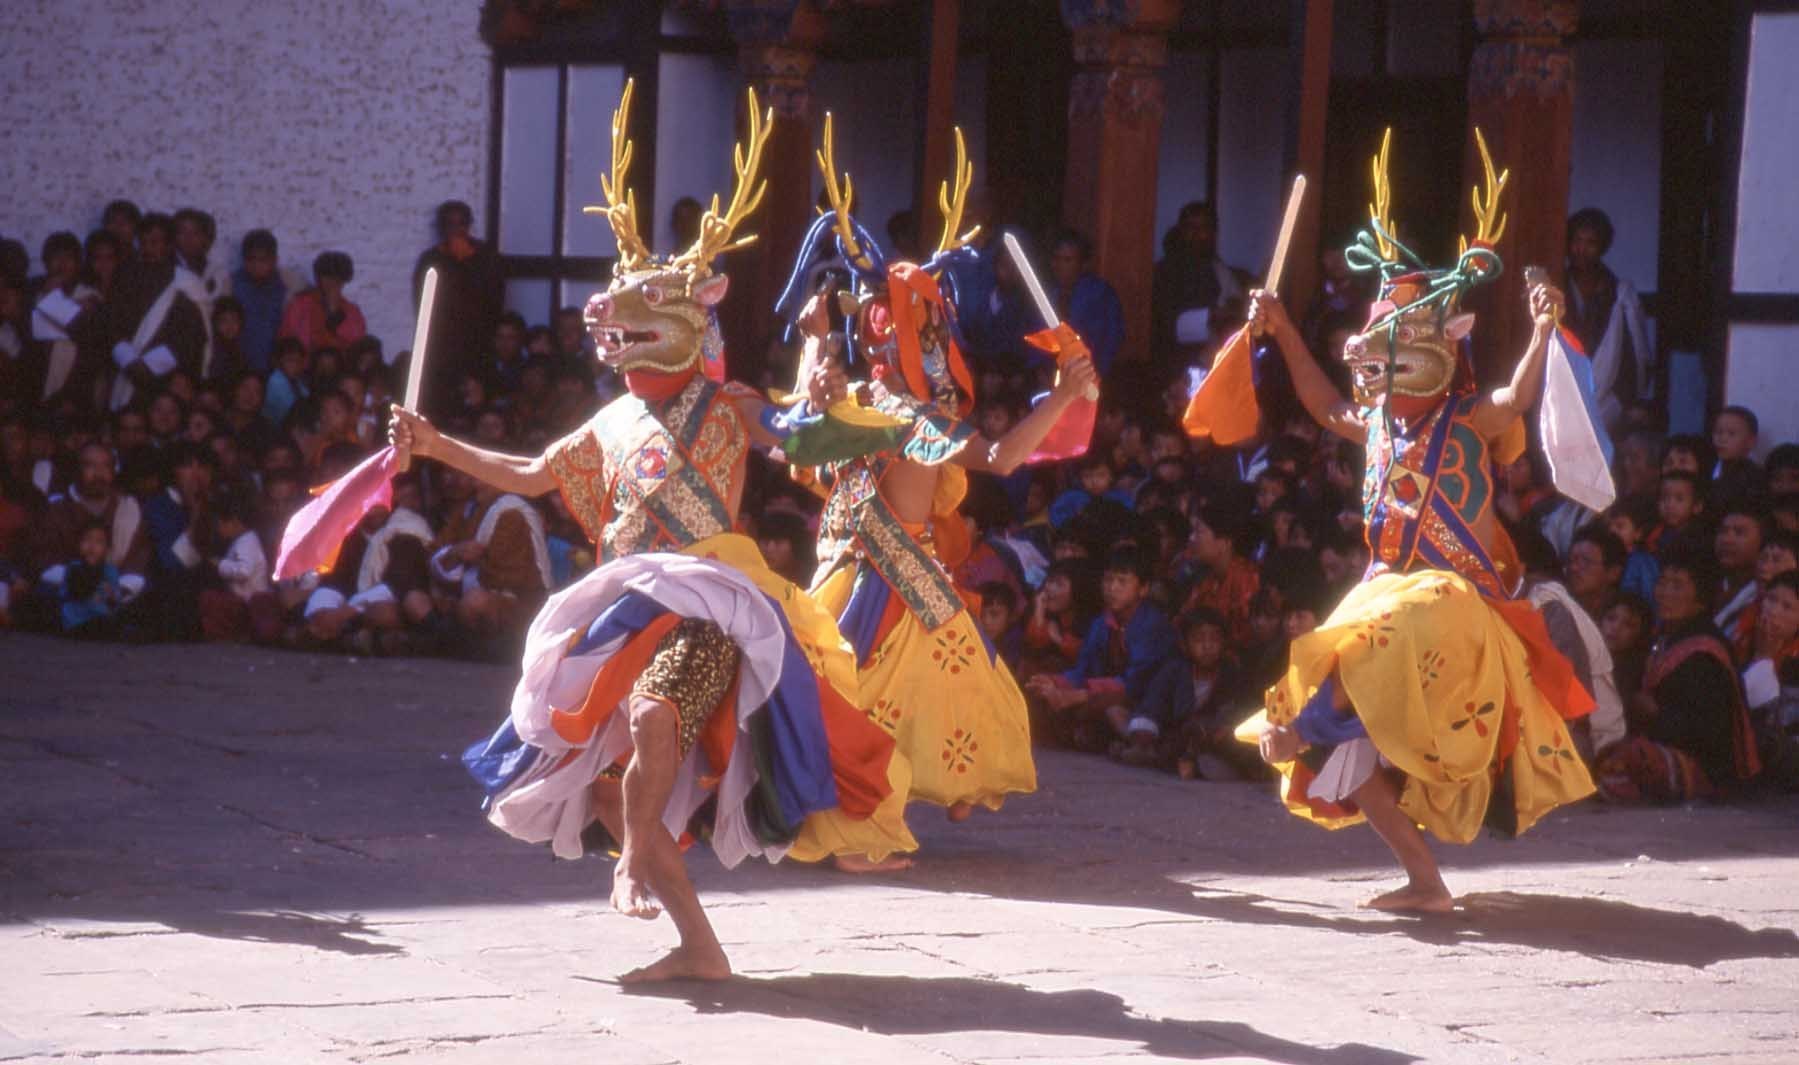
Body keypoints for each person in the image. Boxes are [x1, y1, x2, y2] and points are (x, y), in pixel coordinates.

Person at [391, 85, 914, 981]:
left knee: (650, 717)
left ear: (694, 317)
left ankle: (636, 859)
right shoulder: (611, 421)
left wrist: (829, 402)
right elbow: (526, 474)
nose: (614, 325)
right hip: (626, 602)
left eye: (642, 312)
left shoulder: (726, 402)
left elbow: (799, 438)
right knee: (607, 782)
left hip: (708, 598)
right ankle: (698, 949)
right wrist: (434, 442)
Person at [1233, 134, 1598, 913]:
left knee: (1366, 645)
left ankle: (1302, 725)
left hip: (1451, 598)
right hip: (1386, 591)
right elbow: (1325, 404)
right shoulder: (1378, 428)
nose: (1373, 373)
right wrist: (1282, 330)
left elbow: (1515, 402)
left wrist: (1537, 335)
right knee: (1347, 746)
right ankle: (1424, 883)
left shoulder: (1463, 418)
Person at [1594, 549, 1761, 801]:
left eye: (1677, 586)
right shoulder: (1666, 638)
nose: (1664, 593)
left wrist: (1654, 713)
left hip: (1706, 766)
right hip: (1660, 746)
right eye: (1662, 583)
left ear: (1701, 597)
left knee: (1625, 761)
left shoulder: (1705, 652)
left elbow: (1709, 734)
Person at [1027, 547, 1177, 753]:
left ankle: (1143, 746)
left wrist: (1079, 695)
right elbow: (1083, 670)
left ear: (1143, 589)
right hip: (1106, 693)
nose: (1112, 588)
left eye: (1122, 581)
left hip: (1146, 699)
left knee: (1110, 709)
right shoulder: (1101, 623)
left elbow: (1134, 683)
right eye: (1108, 580)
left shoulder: (1152, 624)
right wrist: (1053, 682)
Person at [1562, 207, 1653, 433]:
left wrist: (1626, 400)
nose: (1581, 249)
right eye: (1576, 240)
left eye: (1590, 243)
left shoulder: (1620, 294)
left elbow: (1634, 354)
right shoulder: (1557, 285)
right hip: (1561, 390)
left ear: (1602, 247)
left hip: (1607, 398)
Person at [413, 201, 503, 417]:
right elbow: (423, 303)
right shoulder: (431, 260)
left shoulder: (486, 257)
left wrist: (464, 262)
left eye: (461, 223)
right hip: (443, 345)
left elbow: (494, 297)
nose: (455, 229)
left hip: (480, 342)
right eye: (449, 224)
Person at [1046, 229, 1124, 377]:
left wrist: (1095, 372)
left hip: (1089, 375)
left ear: (1082, 264)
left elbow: (1111, 338)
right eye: (1056, 259)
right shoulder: (1047, 293)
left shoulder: (1100, 294)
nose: (1060, 265)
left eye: (1067, 260)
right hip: (1050, 375)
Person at [280, 252, 366, 356]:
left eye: (338, 279)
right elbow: (288, 341)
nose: (333, 283)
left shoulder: (352, 313)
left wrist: (334, 314)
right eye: (328, 277)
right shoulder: (301, 305)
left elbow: (354, 349)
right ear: (318, 278)